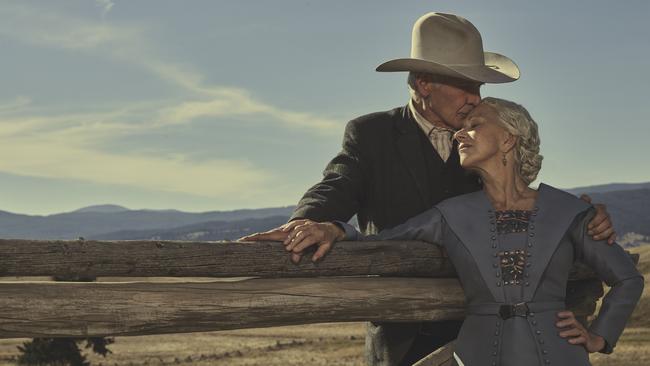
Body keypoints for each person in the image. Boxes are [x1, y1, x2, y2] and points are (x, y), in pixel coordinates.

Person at [241, 12, 616, 366]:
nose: (476, 98)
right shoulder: (372, 134)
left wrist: (582, 218)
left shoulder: (483, 140)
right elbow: (337, 185)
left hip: (482, 333)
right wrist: (311, 221)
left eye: (479, 86)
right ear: (424, 83)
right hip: (401, 333)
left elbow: (520, 203)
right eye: (466, 84)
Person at [256, 97, 644, 366]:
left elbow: (627, 279)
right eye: (462, 127)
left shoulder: (569, 210)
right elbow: (380, 240)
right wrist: (332, 228)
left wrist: (599, 336)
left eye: (475, 126)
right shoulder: (449, 215)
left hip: (559, 355)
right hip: (476, 353)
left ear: (508, 138)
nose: (460, 133)